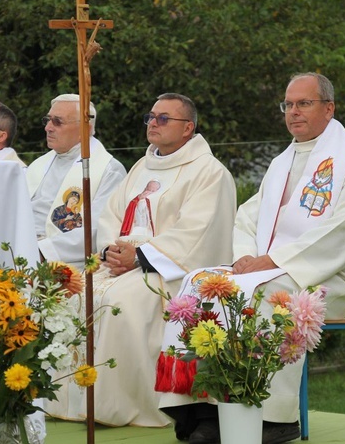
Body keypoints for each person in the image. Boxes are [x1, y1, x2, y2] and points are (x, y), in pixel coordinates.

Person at [157, 73, 345, 444]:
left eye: (303, 103)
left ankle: (274, 419)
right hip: (272, 268)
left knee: (269, 296)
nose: (293, 112)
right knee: (201, 283)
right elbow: (249, 215)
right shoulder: (284, 159)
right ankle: (205, 409)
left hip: (328, 274)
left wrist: (275, 261)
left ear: (329, 108)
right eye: (288, 105)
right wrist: (247, 257)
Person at [44, 93, 237, 427]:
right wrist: (110, 251)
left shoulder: (209, 172)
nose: (153, 123)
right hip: (123, 262)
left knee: (119, 302)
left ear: (188, 127)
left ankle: (119, 404)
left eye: (164, 118)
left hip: (172, 270)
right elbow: (110, 216)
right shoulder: (141, 166)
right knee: (73, 292)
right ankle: (68, 402)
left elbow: (197, 232)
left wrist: (142, 256)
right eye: (151, 117)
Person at [27, 94, 126, 269]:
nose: (48, 128)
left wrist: (41, 251)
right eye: (48, 120)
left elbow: (98, 229)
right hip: (20, 249)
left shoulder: (109, 170)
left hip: (64, 263)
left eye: (57, 122)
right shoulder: (39, 164)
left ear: (85, 129)